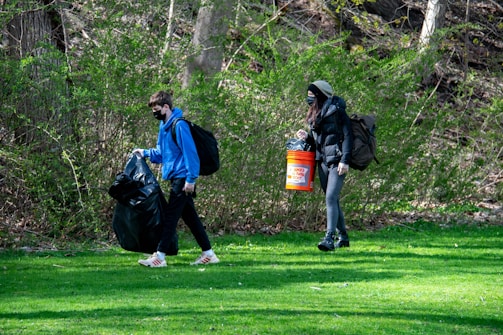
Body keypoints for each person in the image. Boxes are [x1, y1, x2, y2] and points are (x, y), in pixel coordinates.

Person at [133, 90, 219, 267]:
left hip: (183, 178)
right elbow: (162, 153)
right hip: (176, 178)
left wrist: (191, 179)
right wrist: (145, 153)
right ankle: (209, 254)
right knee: (191, 218)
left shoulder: (179, 126)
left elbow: (191, 154)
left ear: (166, 107)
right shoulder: (164, 127)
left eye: (156, 109)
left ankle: (160, 257)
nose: (154, 113)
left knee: (170, 217)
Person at [296, 80, 353, 251]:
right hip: (322, 161)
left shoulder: (338, 111)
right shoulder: (314, 116)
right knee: (332, 199)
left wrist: (345, 160)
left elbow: (348, 136)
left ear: (320, 95)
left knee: (330, 197)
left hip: (337, 161)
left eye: (311, 95)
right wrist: (307, 137)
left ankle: (329, 237)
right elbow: (318, 143)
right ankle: (343, 237)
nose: (308, 98)